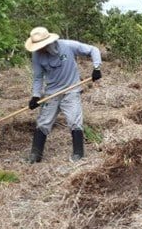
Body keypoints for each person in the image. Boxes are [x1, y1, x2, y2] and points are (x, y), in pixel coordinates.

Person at [24, 27, 102, 163]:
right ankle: (35, 154)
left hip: (71, 89)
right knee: (43, 122)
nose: (39, 49)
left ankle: (78, 154)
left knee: (74, 120)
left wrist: (96, 68)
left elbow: (93, 50)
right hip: (51, 93)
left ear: (48, 43)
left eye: (41, 46)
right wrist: (35, 96)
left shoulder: (67, 46)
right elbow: (38, 77)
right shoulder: (36, 55)